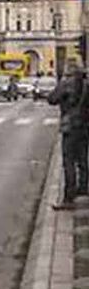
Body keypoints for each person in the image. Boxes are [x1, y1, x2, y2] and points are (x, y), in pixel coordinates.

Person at [49, 59, 89, 210]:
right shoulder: (86, 83)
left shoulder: (66, 83)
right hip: (84, 126)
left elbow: (52, 99)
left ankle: (69, 196)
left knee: (69, 161)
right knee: (83, 161)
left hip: (70, 126)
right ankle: (84, 190)